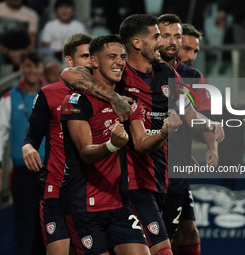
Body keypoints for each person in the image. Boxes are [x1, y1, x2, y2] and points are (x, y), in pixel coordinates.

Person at [61, 14, 224, 255]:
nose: (162, 42)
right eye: (157, 36)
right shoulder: (118, 71)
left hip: (161, 178)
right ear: (137, 43)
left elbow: (188, 114)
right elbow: (69, 74)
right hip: (132, 184)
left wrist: (209, 124)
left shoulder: (166, 73)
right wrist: (114, 97)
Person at [60, 34, 181, 255]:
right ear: (94, 61)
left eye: (122, 57)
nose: (119, 62)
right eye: (112, 56)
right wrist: (112, 145)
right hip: (84, 206)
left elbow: (142, 142)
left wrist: (164, 133)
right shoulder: (76, 100)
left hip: (119, 206)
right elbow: (85, 153)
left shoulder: (127, 101)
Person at [22, 33, 133, 255]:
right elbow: (32, 135)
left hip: (93, 188)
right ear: (70, 61)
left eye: (92, 55)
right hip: (56, 186)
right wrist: (28, 146)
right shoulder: (50, 93)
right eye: (84, 56)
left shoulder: (111, 91)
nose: (89, 61)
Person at [158, 14, 220, 255]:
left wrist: (212, 148)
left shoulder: (193, 77)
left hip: (178, 164)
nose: (191, 56)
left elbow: (200, 117)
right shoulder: (152, 73)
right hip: (159, 165)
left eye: (195, 51)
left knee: (188, 231)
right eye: (187, 49)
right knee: (165, 238)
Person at [0, 49, 46, 255]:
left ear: (42, 68)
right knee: (24, 223)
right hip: (22, 172)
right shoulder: (9, 98)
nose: (32, 71)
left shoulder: (53, 93)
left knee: (49, 225)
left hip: (49, 171)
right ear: (21, 68)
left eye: (36, 66)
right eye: (28, 66)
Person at [0, 0, 39, 87]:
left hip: (21, 54)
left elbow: (32, 43)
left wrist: (22, 55)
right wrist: (9, 53)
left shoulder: (31, 14)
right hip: (0, 53)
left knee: (44, 54)